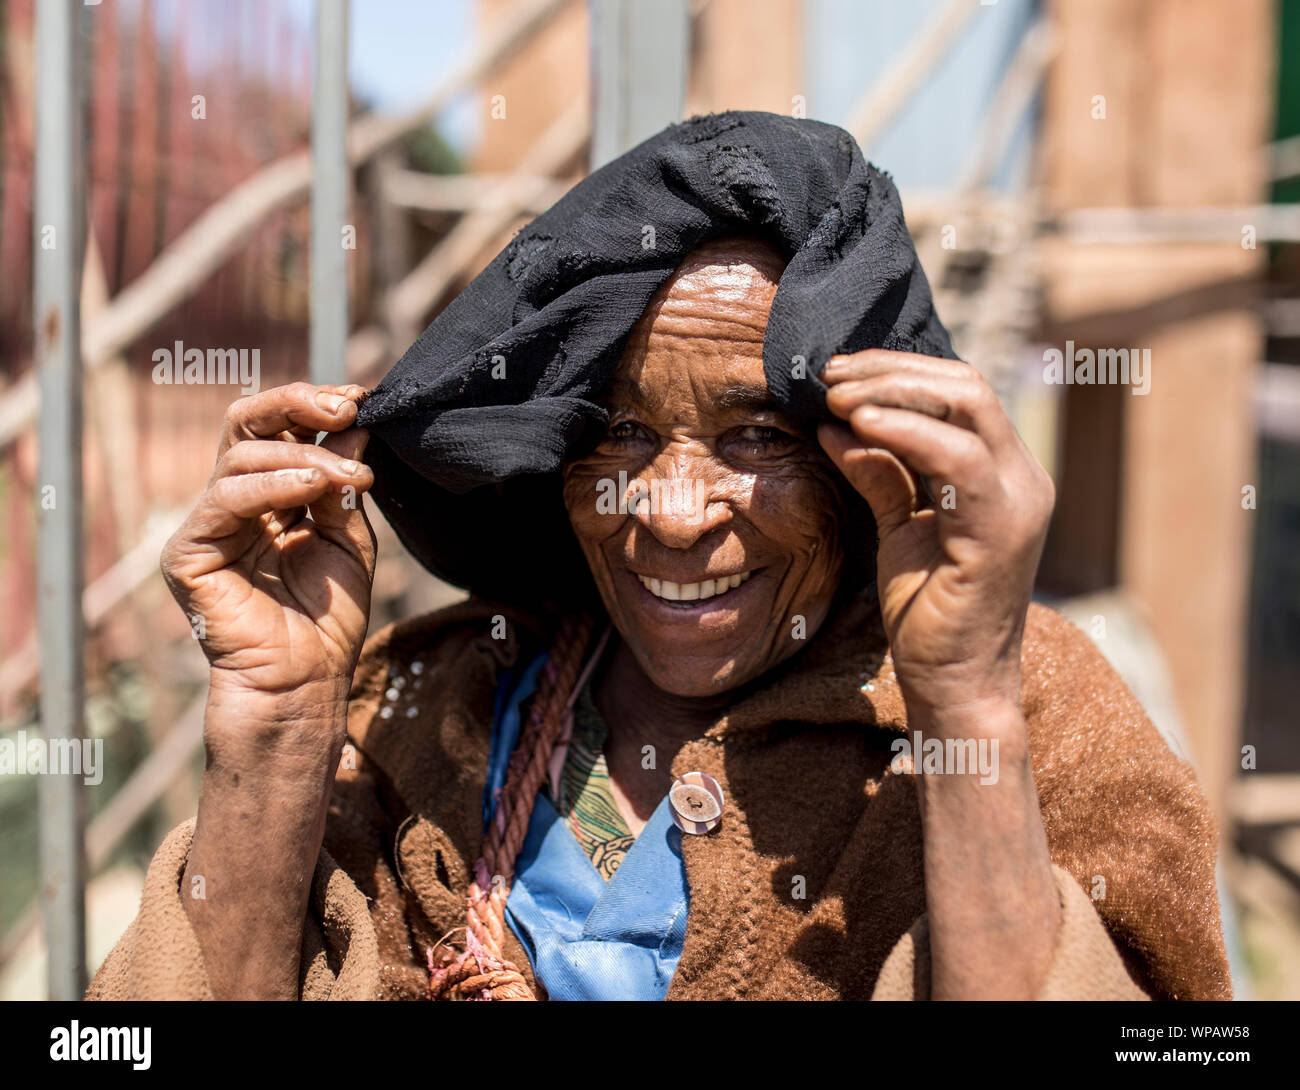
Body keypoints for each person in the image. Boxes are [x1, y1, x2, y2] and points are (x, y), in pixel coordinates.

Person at [88, 114, 1230, 1002]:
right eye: (620, 434)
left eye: (756, 439)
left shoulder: (1031, 704)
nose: (672, 513)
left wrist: (969, 706)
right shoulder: (425, 709)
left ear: (864, 467)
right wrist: (281, 724)